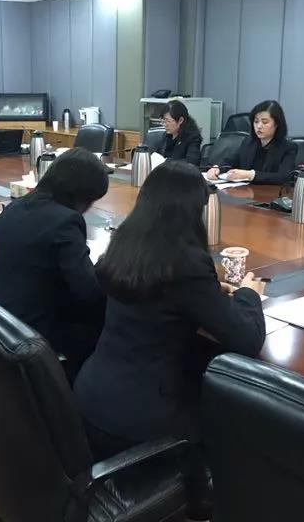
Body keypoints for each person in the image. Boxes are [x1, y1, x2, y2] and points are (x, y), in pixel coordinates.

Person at [74, 160, 265, 517]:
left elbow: (166, 296)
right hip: (143, 418)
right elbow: (247, 339)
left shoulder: (126, 242)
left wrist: (208, 293)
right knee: (242, 414)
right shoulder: (186, 261)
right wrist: (248, 294)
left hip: (91, 397)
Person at [0, 147, 109, 372]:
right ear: (81, 194)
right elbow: (89, 292)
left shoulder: (15, 206)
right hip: (33, 329)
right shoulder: (66, 221)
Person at [206, 100, 297, 184]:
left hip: (271, 194)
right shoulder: (249, 142)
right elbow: (230, 161)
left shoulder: (288, 147)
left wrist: (250, 175)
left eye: (265, 122)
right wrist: (217, 168)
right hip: (246, 192)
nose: (259, 126)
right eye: (256, 121)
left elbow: (284, 177)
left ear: (277, 124)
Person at [155, 100, 202, 166]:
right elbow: (158, 155)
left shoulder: (193, 137)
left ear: (180, 120)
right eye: (163, 121)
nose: (165, 125)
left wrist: (166, 162)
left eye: (168, 121)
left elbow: (192, 162)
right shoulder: (167, 135)